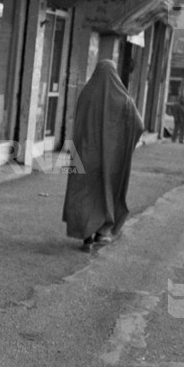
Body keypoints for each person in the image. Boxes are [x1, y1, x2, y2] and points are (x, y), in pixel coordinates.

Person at [63, 60, 144, 251]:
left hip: (84, 154)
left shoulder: (86, 93)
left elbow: (78, 125)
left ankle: (86, 237)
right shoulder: (124, 99)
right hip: (110, 159)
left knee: (84, 194)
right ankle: (101, 232)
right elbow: (139, 126)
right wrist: (123, 146)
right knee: (105, 193)